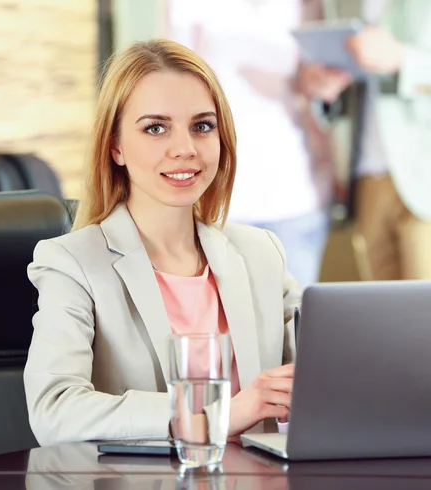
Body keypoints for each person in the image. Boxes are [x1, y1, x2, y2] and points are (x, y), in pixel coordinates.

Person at [23, 39, 301, 447]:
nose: (185, 149)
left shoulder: (261, 253)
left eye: (202, 126)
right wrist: (219, 415)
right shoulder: (72, 263)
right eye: (156, 128)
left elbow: (328, 374)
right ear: (115, 146)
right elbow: (54, 411)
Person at [165, 0, 353, 288]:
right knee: (220, 324)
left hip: (297, 194)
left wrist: (319, 85)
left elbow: (323, 88)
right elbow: (171, 86)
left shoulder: (306, 5)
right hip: (219, 199)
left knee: (293, 327)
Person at [321, 0, 431, 280]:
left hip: (421, 172)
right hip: (365, 175)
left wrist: (403, 59)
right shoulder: (343, 5)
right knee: (386, 311)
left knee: (423, 314)